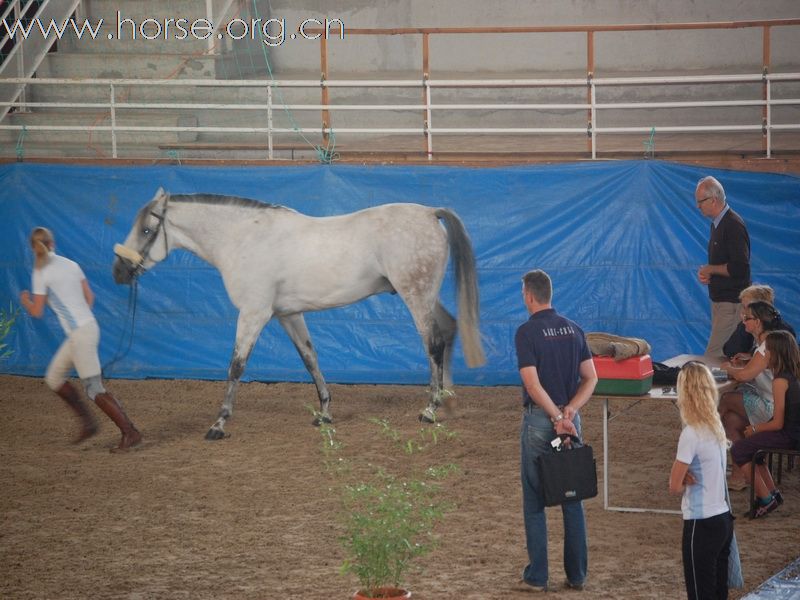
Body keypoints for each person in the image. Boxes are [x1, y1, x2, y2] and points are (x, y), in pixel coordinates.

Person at [19, 226, 142, 452]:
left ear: (33, 248)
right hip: (87, 329)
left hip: (80, 335)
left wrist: (26, 299)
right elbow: (89, 297)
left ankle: (130, 432)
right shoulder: (71, 265)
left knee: (94, 389)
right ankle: (89, 424)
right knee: (54, 378)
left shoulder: (40, 272)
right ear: (52, 244)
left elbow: (36, 312)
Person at [514, 269, 598, 592]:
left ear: (529, 296)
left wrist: (554, 416)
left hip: (541, 421)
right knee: (571, 497)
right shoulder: (575, 330)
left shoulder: (526, 333)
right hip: (570, 422)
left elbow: (532, 385)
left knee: (534, 499)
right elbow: (591, 377)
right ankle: (576, 574)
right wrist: (570, 411)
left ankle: (538, 575)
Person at [669, 361, 734, 600]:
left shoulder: (691, 433)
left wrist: (682, 476)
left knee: (700, 593)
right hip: (723, 517)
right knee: (718, 591)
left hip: (701, 521)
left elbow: (674, 486)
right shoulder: (715, 424)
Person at [731, 330, 800, 518]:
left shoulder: (779, 381)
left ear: (775, 353)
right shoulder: (792, 374)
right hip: (793, 432)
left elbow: (777, 423)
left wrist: (755, 428)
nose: (763, 354)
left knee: (739, 450)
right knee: (752, 448)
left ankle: (766, 499)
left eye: (766, 350)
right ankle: (772, 494)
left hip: (789, 436)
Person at [719, 301, 784, 489]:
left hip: (773, 408)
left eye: (746, 318)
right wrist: (750, 358)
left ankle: (706, 443)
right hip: (776, 403)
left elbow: (744, 375)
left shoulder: (766, 346)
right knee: (731, 420)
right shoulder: (768, 342)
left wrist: (728, 367)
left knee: (725, 400)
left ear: (758, 322)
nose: (743, 321)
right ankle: (740, 475)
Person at [695, 175, 751, 359]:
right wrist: (710, 274)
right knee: (729, 356)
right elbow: (726, 265)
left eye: (700, 201)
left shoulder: (732, 225)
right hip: (721, 303)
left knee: (714, 356)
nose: (698, 206)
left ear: (713, 200)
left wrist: (711, 269)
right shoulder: (717, 225)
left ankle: (712, 388)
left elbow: (739, 268)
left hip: (731, 304)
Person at [723, 284, 796, 359]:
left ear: (761, 307)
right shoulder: (747, 324)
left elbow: (773, 359)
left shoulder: (783, 331)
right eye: (743, 307)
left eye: (747, 308)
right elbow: (730, 351)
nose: (743, 312)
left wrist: (752, 355)